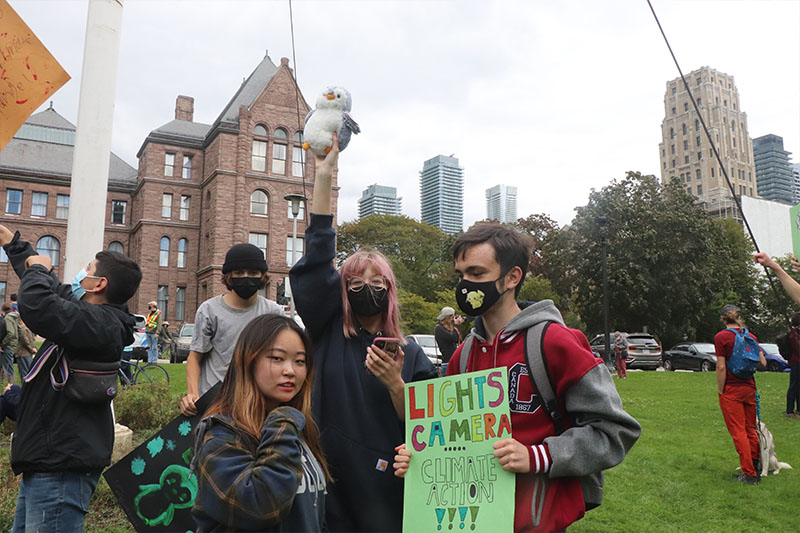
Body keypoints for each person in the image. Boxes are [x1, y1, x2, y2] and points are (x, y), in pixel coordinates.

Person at [397, 223, 640, 532]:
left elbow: (615, 431)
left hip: (539, 521)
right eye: (461, 275)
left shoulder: (555, 343)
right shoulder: (463, 356)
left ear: (512, 277)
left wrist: (537, 456)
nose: (465, 285)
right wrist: (419, 461)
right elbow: (451, 441)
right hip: (472, 521)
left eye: (476, 273)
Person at [290, 134, 438, 532]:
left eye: (376, 281)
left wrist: (395, 384)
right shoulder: (326, 331)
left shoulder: (411, 355)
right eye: (354, 281)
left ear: (389, 292)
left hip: (383, 488)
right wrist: (324, 174)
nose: (365, 289)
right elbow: (318, 259)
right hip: (325, 479)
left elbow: (427, 426)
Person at [0, 223, 142, 532]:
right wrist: (12, 243)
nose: (80, 272)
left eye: (87, 268)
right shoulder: (87, 316)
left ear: (98, 283)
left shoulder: (100, 324)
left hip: (62, 467)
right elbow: (49, 289)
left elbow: (37, 304)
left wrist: (38, 270)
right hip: (48, 460)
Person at [191, 314, 328, 532]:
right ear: (249, 361)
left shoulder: (298, 429)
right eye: (277, 358)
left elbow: (313, 514)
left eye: (300, 361)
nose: (290, 371)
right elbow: (260, 507)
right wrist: (282, 422)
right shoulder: (221, 436)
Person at [180, 243, 282, 416]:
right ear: (229, 276)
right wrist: (192, 394)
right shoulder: (209, 311)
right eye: (239, 273)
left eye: (253, 273)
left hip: (258, 403)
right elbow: (195, 357)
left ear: (262, 276)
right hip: (216, 404)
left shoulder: (273, 313)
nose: (246, 277)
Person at [714, 304, 767, 484]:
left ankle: (749, 474)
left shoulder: (721, 337)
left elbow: (721, 366)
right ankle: (755, 468)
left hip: (732, 389)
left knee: (738, 431)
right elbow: (762, 363)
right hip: (750, 387)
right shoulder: (750, 336)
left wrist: (721, 390)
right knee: (750, 429)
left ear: (723, 319)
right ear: (739, 317)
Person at [433, 306, 463, 375]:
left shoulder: (450, 329)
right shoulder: (439, 329)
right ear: (447, 317)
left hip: (454, 362)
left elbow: (458, 339)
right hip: (447, 364)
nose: (453, 319)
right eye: (452, 317)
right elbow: (453, 338)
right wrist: (456, 325)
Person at [1, 302, 20, 383]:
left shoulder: (7, 318)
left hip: (8, 346)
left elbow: (10, 333)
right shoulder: (14, 317)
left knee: (9, 369)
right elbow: (19, 330)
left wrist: (2, 344)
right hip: (13, 345)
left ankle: (12, 387)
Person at [787, 312, 800, 418]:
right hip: (796, 362)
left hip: (796, 362)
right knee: (794, 386)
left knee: (797, 386)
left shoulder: (795, 333)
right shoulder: (793, 334)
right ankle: (790, 410)